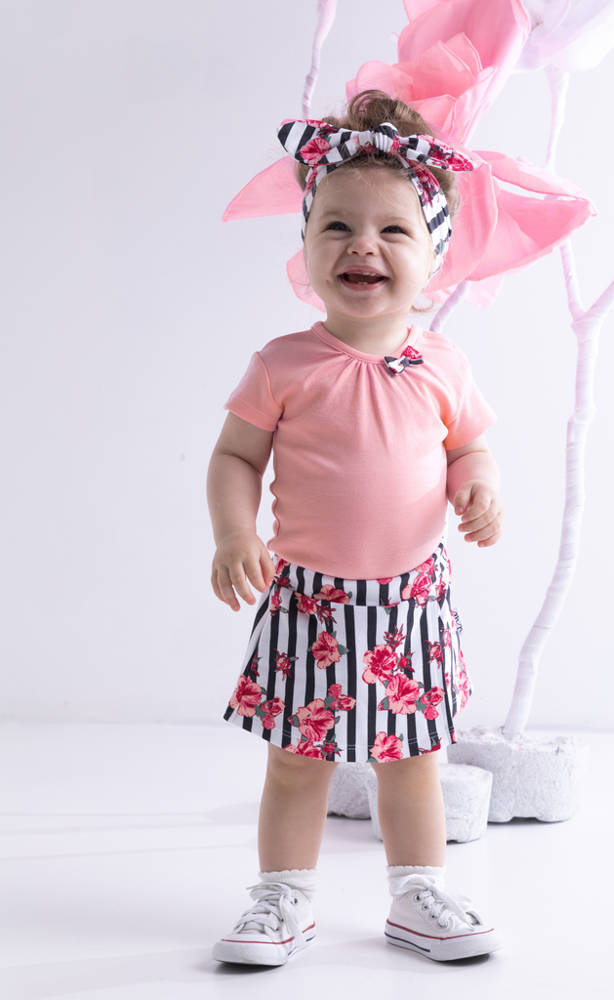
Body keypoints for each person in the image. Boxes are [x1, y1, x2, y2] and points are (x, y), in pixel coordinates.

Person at [207, 89, 504, 966]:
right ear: (306, 246)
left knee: (412, 758)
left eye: (393, 230)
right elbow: (234, 458)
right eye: (336, 226)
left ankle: (417, 892)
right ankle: (282, 897)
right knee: (297, 760)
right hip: (310, 600)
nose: (361, 245)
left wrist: (479, 487)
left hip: (410, 599)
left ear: (434, 258)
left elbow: (469, 446)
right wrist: (235, 535)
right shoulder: (284, 365)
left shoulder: (443, 364)